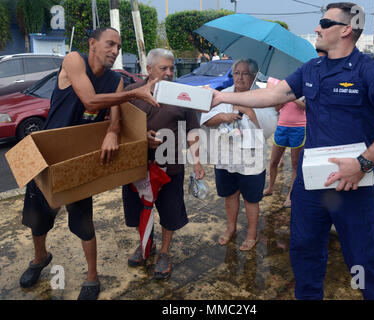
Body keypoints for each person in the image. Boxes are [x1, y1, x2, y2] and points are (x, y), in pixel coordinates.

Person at [211, 2, 374, 300]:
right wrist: (222, 96)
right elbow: (275, 94)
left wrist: (363, 163)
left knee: (363, 262)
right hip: (311, 186)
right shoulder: (311, 69)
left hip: (354, 187)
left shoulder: (371, 71)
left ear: (347, 29)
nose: (317, 28)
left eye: (325, 22)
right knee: (305, 252)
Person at [18, 27, 158, 300]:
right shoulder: (73, 60)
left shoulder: (115, 79)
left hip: (79, 158)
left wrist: (112, 132)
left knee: (83, 222)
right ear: (92, 43)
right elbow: (90, 100)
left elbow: (115, 119)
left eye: (118, 46)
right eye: (110, 44)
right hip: (49, 152)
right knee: (38, 219)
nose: (115, 51)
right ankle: (40, 259)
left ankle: (92, 277)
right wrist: (136, 93)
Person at [122, 48, 205, 280]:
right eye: (163, 68)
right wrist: (140, 137)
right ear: (149, 69)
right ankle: (145, 245)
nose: (169, 73)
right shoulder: (131, 93)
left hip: (170, 166)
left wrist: (196, 161)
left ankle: (165, 252)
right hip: (136, 165)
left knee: (169, 213)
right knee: (139, 210)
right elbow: (119, 128)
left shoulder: (182, 95)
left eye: (171, 68)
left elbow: (192, 131)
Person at [201, 58, 273, 251]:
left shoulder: (263, 96)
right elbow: (206, 119)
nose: (240, 77)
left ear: (254, 76)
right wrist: (224, 116)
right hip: (226, 156)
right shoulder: (223, 94)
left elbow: (268, 129)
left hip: (251, 158)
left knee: (251, 198)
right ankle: (230, 228)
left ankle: (252, 234)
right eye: (236, 73)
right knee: (230, 195)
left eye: (245, 73)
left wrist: (249, 110)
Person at [262, 77, 306, 209]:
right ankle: (270, 188)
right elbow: (277, 109)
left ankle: (290, 196)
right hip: (282, 126)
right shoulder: (282, 86)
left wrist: (293, 98)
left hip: (299, 128)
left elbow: (306, 107)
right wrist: (280, 99)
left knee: (294, 164)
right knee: (273, 162)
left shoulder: (304, 85)